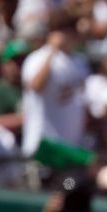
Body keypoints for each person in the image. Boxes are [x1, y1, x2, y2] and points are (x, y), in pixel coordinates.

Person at [20, 7, 89, 156]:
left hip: (70, 146)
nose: (76, 35)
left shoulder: (80, 61)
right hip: (43, 147)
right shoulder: (37, 58)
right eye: (71, 30)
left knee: (69, 181)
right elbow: (35, 86)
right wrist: (52, 49)